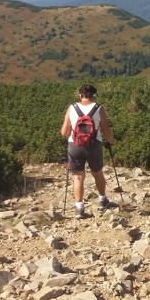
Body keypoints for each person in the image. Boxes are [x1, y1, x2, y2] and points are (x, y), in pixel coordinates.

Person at [60, 84, 116, 219]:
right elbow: (106, 130)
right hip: (94, 144)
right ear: (94, 96)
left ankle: (79, 209)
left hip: (74, 145)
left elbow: (64, 132)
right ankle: (103, 200)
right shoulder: (99, 108)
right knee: (97, 172)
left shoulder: (72, 108)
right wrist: (111, 141)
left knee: (78, 176)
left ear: (80, 95)